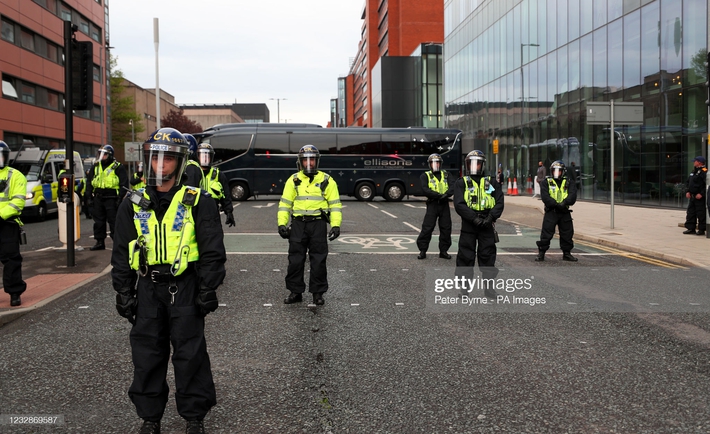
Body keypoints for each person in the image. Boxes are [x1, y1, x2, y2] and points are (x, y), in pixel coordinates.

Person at [110, 128, 226, 434]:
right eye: (155, 158)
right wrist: (123, 291)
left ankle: (194, 417)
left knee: (190, 355)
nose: (160, 165)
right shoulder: (133, 201)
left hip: (184, 286)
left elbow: (213, 248)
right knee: (147, 355)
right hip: (148, 287)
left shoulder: (198, 200)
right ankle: (150, 418)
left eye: (168, 160)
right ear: (146, 160)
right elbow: (121, 251)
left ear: (180, 163)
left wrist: (208, 287)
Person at [278, 144, 342, 306]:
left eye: (312, 160)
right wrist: (282, 224)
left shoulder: (327, 180)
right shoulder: (293, 180)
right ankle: (295, 292)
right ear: (300, 162)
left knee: (319, 259)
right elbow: (285, 204)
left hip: (318, 224)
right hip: (298, 224)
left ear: (317, 162)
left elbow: (335, 205)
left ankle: (318, 293)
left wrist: (335, 225)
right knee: (295, 260)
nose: (309, 163)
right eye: (305, 160)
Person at [453, 150, 504, 299]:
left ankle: (489, 290)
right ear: (467, 165)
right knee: (465, 257)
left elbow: (499, 202)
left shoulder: (491, 182)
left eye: (478, 163)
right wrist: (474, 218)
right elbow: (459, 204)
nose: (475, 166)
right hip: (469, 225)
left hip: (487, 224)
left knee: (488, 257)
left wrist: (490, 217)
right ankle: (464, 290)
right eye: (472, 163)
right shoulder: (461, 182)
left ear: (483, 165)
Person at [85, 145, 129, 251]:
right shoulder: (95, 166)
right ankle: (100, 242)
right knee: (98, 222)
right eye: (100, 154)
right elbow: (89, 182)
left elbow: (124, 184)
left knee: (114, 222)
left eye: (104, 154)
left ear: (110, 155)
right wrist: (89, 197)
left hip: (112, 198)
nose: (101, 156)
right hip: (98, 198)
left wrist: (119, 199)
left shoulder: (118, 167)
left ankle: (117, 243)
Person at [0, 141, 27, 307]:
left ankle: (14, 293)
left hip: (8, 223)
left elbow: (18, 201)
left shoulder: (15, 175)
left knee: (11, 259)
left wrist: (1, 215)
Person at [535, 160, 578, 262]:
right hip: (551, 211)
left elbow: (573, 195)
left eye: (559, 171)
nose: (556, 173)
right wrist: (555, 204)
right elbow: (545, 197)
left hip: (564, 211)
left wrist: (565, 203)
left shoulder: (569, 182)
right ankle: (541, 253)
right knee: (546, 233)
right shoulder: (546, 182)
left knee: (567, 233)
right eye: (554, 170)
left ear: (563, 172)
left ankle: (567, 253)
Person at [416, 153, 454, 259]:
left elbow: (453, 186)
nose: (435, 165)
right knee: (427, 228)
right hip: (432, 204)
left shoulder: (447, 174)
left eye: (437, 162)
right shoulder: (425, 175)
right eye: (433, 163)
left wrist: (446, 195)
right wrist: (438, 196)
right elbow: (425, 189)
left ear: (440, 164)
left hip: (444, 204)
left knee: (446, 228)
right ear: (430, 164)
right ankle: (422, 251)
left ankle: (443, 251)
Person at [196, 143, 235, 228]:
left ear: (211, 158)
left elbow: (226, 195)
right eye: (203, 156)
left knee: (215, 238)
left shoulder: (218, 174)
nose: (205, 159)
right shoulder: (193, 173)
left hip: (213, 214)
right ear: (198, 157)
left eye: (207, 156)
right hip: (195, 213)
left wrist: (229, 212)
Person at [684, 156, 707, 235]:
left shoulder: (704, 171)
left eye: (695, 161)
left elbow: (706, 185)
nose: (694, 162)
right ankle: (691, 228)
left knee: (701, 213)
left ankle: (702, 229)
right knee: (691, 213)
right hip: (692, 196)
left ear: (700, 162)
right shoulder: (694, 171)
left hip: (699, 197)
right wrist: (688, 191)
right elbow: (688, 182)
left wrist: (702, 193)